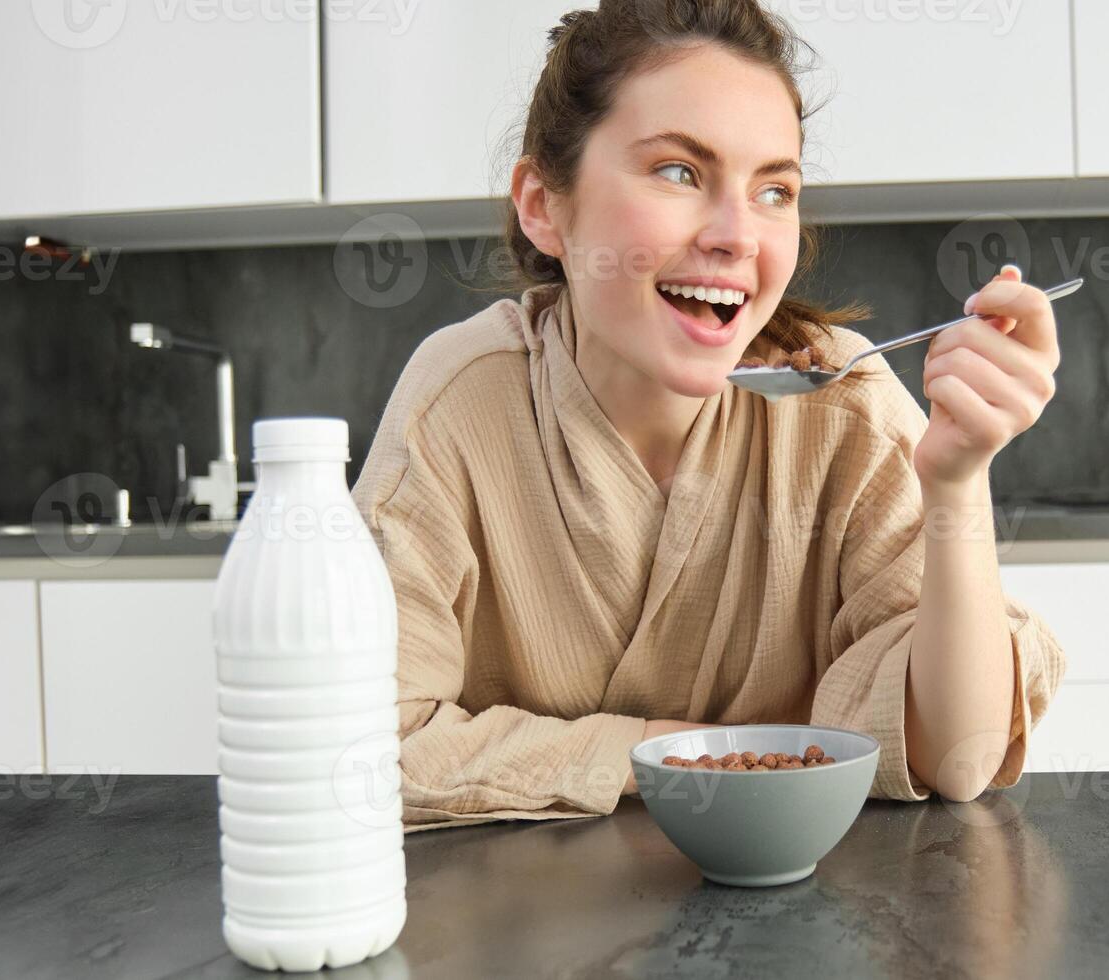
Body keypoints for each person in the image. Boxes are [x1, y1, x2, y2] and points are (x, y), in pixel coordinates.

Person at [353, 0, 1069, 831]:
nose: (737, 235)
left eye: (774, 190)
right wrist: (671, 751)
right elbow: (361, 745)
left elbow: (957, 755)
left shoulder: (843, 407)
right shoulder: (460, 402)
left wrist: (958, 484)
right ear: (545, 204)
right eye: (678, 173)